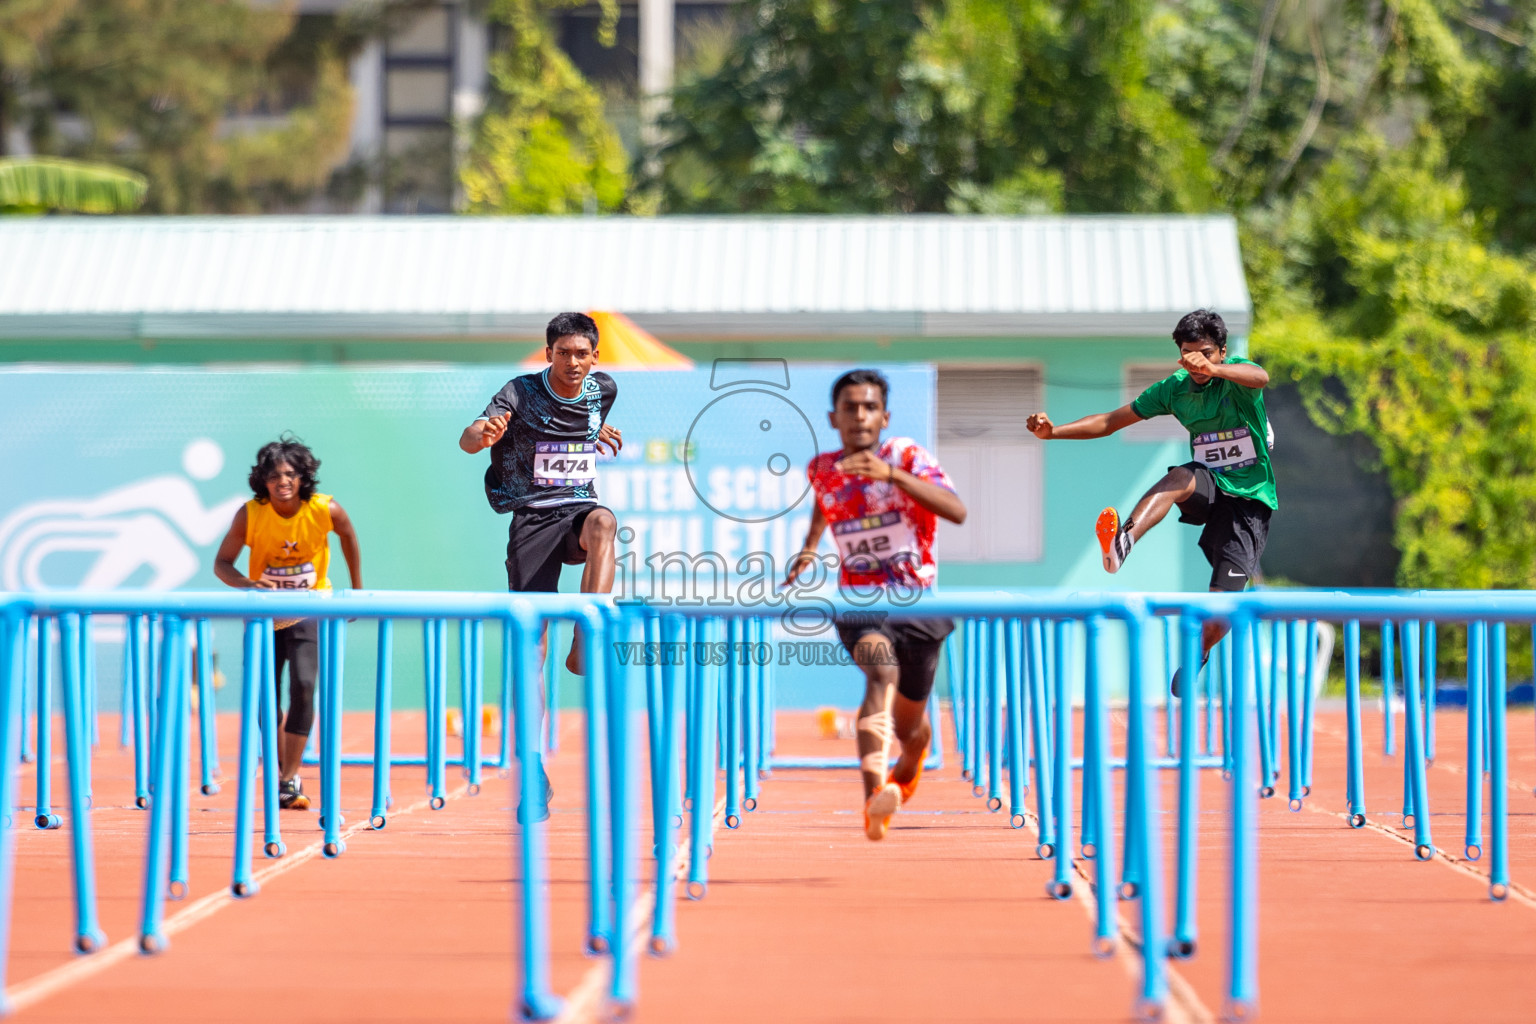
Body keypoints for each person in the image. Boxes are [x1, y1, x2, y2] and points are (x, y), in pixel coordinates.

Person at [1025, 309, 1275, 694]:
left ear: (1222, 352)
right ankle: (1122, 544)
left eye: (1205, 353)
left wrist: (1214, 369)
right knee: (1179, 476)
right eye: (1188, 355)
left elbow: (1261, 377)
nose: (1196, 363)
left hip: (1248, 501)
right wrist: (1053, 432)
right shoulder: (1174, 389)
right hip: (1208, 484)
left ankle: (1200, 652)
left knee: (1220, 610)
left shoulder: (1237, 376)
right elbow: (1110, 421)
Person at [786, 369, 967, 841]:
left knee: (913, 732)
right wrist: (810, 546)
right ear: (834, 417)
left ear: (884, 416)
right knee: (880, 673)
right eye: (850, 407)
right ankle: (873, 798)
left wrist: (892, 475)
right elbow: (826, 502)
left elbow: (956, 510)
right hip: (859, 601)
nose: (860, 415)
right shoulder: (822, 468)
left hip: (917, 604)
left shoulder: (905, 455)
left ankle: (908, 765)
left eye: (869, 407)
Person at [458, 311, 622, 821]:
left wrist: (592, 437)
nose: (572, 363)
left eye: (582, 354)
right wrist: (482, 434)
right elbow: (468, 437)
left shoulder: (603, 391)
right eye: (563, 353)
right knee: (531, 652)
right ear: (547, 353)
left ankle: (586, 639)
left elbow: (575, 427)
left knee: (605, 524)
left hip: (577, 510)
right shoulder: (519, 392)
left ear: (595, 357)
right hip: (531, 520)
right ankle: (532, 767)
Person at [213, 436, 363, 810]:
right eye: (276, 475)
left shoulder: (326, 509)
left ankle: (289, 776)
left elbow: (348, 536)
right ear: (263, 480)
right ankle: (282, 765)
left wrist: (357, 588)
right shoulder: (249, 514)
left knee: (304, 684)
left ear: (303, 479)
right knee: (265, 699)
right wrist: (249, 584)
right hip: (264, 613)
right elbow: (222, 564)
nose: (284, 481)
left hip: (310, 606)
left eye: (291, 475)